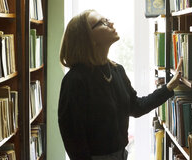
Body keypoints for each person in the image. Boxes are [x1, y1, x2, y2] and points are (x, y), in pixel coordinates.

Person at [58, 9, 183, 160]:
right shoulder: (75, 80)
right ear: (88, 38)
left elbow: (136, 107)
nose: (111, 23)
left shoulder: (117, 70)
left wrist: (169, 87)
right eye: (102, 22)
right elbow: (73, 138)